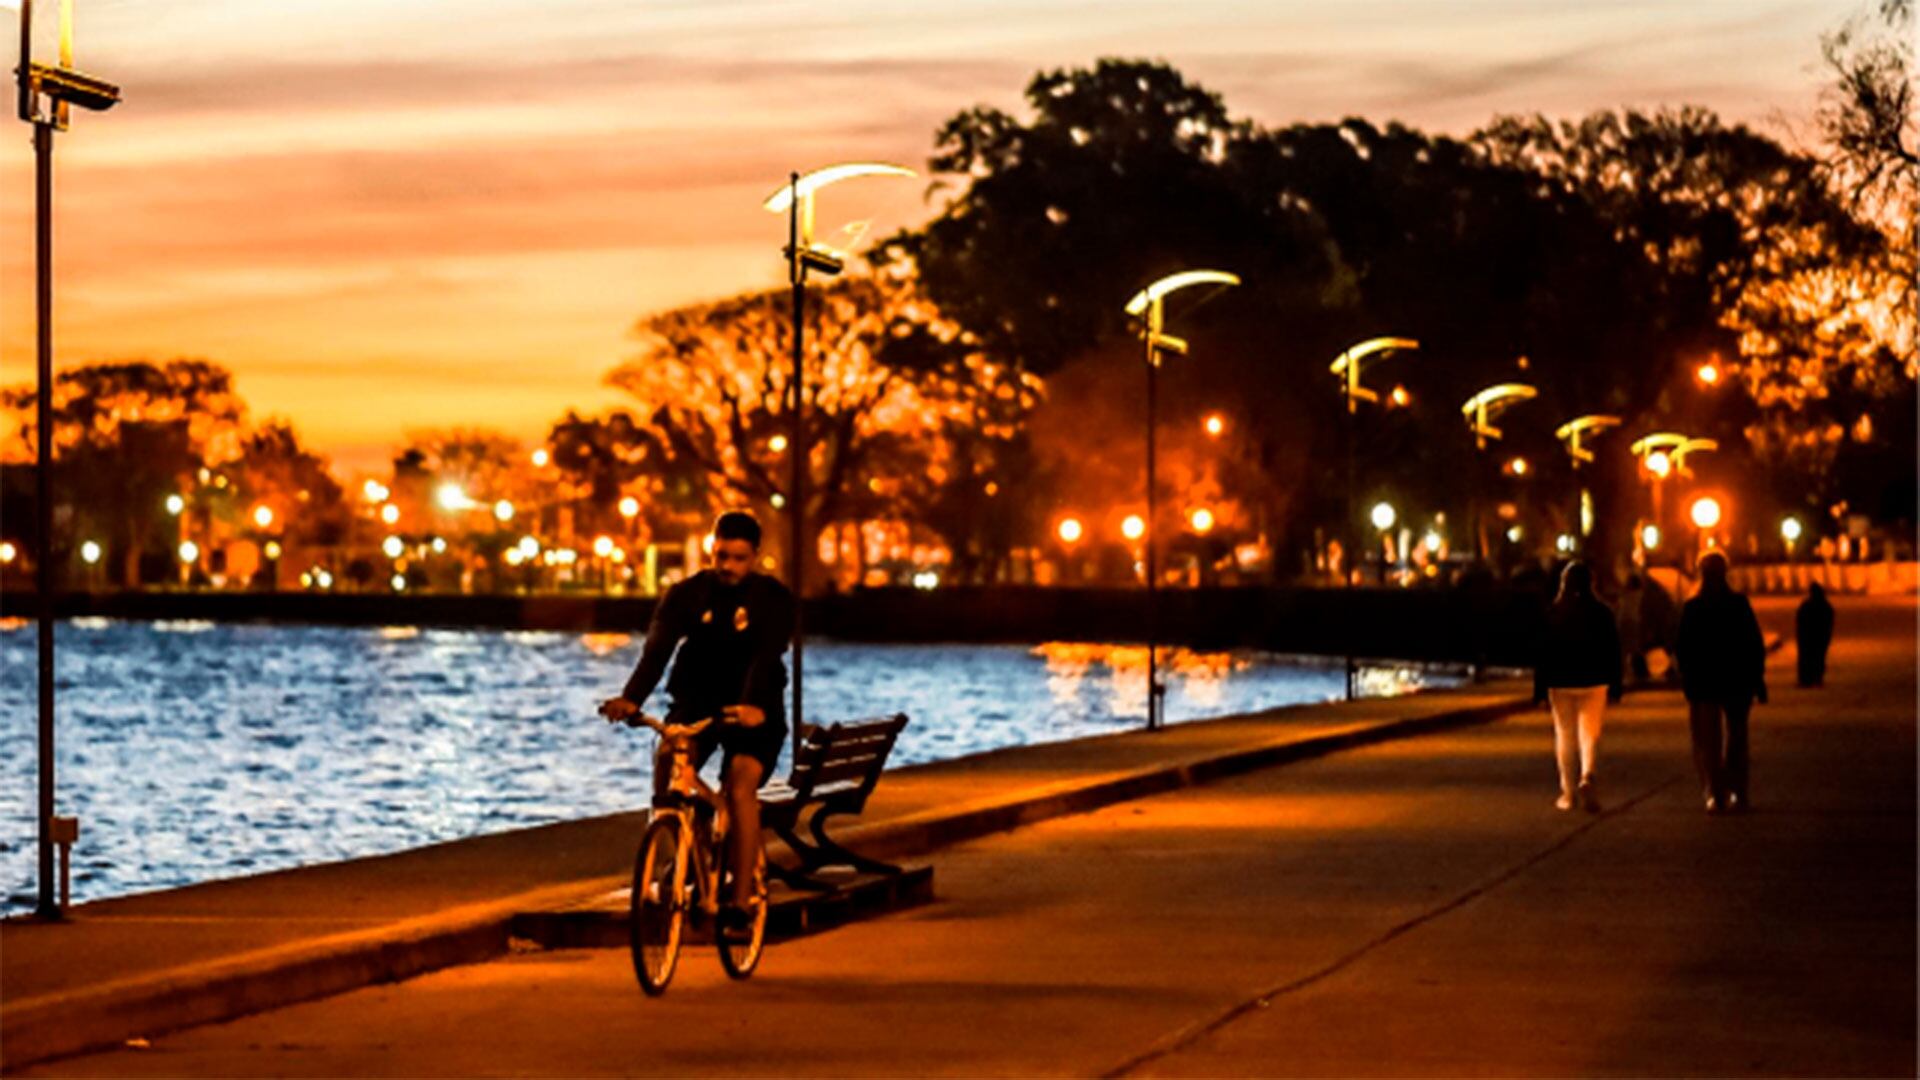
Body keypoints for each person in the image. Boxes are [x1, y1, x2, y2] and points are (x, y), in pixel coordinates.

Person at [600, 510, 794, 930]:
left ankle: (740, 899)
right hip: (697, 702)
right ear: (711, 548)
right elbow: (657, 650)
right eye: (721, 555)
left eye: (738, 558)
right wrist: (631, 699)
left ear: (755, 557)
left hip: (755, 708)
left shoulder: (772, 599)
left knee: (740, 785)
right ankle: (695, 849)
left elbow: (765, 658)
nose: (727, 566)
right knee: (668, 759)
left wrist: (750, 706)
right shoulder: (686, 594)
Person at [1676, 550, 1768, 814]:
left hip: (1705, 681)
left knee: (1708, 740)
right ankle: (1738, 791)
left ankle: (1714, 792)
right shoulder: (1738, 604)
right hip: (1736, 679)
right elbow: (1754, 644)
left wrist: (1686, 678)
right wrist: (1757, 678)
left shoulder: (1693, 607)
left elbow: (1683, 648)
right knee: (1737, 738)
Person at [1532, 562, 1623, 812]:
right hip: (1595, 680)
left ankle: (1569, 793)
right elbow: (1612, 650)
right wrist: (1616, 684)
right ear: (1591, 584)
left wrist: (1539, 691)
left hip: (1560, 682)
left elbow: (1543, 655)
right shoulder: (1603, 614)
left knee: (1565, 734)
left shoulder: (1554, 613)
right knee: (1590, 733)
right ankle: (1588, 775)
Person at [1795, 583, 1835, 687]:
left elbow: (1800, 620)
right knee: (1819, 657)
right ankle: (1816, 678)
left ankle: (1806, 679)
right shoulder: (1826, 606)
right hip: (1820, 636)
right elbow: (1829, 622)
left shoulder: (1806, 605)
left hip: (1808, 636)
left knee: (1806, 657)